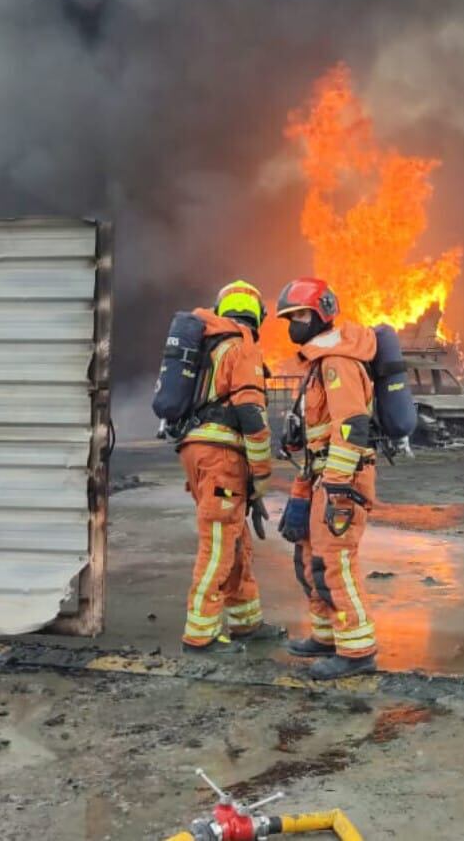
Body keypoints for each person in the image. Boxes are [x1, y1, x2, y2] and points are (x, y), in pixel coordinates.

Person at [274, 277, 380, 678]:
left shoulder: (338, 362)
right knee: (310, 557)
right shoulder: (320, 360)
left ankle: (357, 651)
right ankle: (326, 635)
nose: (292, 325)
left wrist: (336, 483)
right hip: (321, 476)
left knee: (335, 561)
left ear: (322, 312)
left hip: (343, 482)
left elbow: (352, 424)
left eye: (299, 315)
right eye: (289, 317)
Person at [177, 280, 275, 653]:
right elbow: (250, 412)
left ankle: (246, 623)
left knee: (234, 538)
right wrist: (263, 471)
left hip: (202, 450)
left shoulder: (208, 350)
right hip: (221, 455)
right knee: (218, 545)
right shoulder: (241, 346)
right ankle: (199, 635)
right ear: (256, 315)